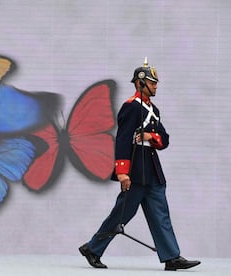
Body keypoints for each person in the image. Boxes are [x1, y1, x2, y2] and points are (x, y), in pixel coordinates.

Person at [79, 58, 200, 271]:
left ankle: (172, 257)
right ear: (140, 83)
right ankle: (93, 248)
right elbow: (123, 139)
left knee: (161, 215)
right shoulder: (131, 108)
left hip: (151, 170)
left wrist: (150, 136)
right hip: (135, 170)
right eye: (152, 83)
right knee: (121, 215)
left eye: (155, 83)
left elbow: (165, 139)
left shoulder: (154, 110)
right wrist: (123, 173)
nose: (155, 86)